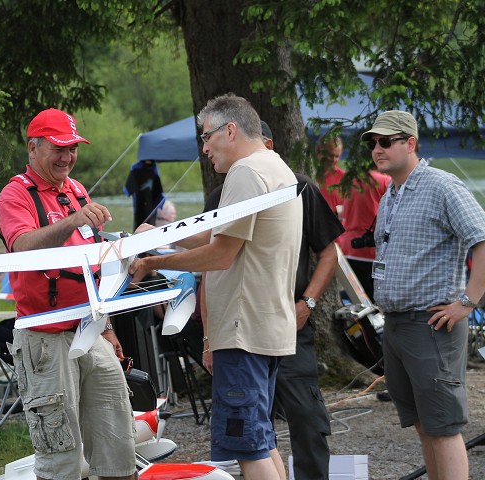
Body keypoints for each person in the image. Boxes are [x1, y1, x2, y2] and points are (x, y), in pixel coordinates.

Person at [130, 94, 303, 480]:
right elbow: (217, 234)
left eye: (207, 137)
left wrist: (152, 260)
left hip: (243, 331)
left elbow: (219, 255)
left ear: (231, 130)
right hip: (266, 326)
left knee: (249, 448)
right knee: (262, 441)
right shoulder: (275, 167)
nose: (204, 148)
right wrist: (160, 234)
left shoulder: (244, 172)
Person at [0, 108, 136, 480]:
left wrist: (107, 328)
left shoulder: (75, 190)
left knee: (119, 443)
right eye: (58, 148)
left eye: (72, 148)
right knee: (62, 459)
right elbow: (23, 246)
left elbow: (91, 266)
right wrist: (74, 220)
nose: (67, 157)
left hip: (89, 330)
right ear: (33, 148)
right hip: (45, 339)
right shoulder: (16, 194)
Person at [203, 121, 344, 479]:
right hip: (239, 327)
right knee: (256, 432)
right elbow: (212, 267)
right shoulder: (221, 197)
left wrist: (307, 303)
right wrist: (209, 336)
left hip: (286, 319)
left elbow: (330, 253)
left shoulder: (297, 186)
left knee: (305, 416)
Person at [365, 110, 485, 480]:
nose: (377, 149)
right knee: (423, 425)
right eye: (373, 143)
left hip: (431, 325)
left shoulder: (443, 186)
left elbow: (481, 240)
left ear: (410, 143)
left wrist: (468, 302)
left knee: (444, 428)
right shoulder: (391, 193)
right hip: (398, 325)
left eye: (386, 142)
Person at [337, 167, 390, 300]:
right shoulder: (385, 181)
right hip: (374, 254)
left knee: (357, 297)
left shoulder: (349, 181)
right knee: (377, 298)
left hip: (349, 249)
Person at [317, 136, 345, 216]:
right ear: (319, 151)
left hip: (334, 225)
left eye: (337, 156)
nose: (333, 160)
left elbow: (350, 208)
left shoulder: (343, 178)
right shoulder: (307, 173)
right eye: (330, 155)